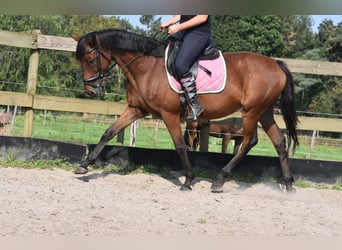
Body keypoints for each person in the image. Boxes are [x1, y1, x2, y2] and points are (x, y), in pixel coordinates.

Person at [161, 15, 211, 120]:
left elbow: (202, 17)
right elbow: (183, 14)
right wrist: (168, 23)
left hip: (198, 33)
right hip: (184, 32)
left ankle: (195, 104)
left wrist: (177, 27)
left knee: (181, 65)